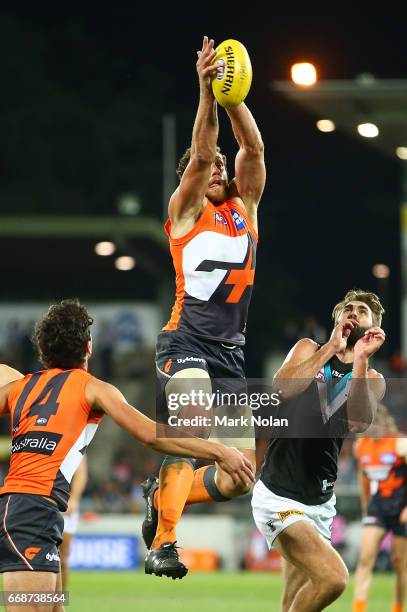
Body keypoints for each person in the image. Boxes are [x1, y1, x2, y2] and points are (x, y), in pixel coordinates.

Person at [0, 299, 254, 612]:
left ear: (42, 350)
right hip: (31, 510)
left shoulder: (18, 388)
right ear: (89, 347)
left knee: (53, 607)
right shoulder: (94, 389)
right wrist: (219, 450)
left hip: (32, 509)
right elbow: (151, 434)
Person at [143, 35, 265, 579]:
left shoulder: (245, 207)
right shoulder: (186, 209)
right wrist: (206, 93)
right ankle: (165, 542)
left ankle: (163, 498)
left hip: (230, 354)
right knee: (193, 427)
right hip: (185, 341)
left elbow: (254, 151)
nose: (217, 166)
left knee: (241, 474)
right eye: (208, 163)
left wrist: (233, 91)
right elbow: (201, 149)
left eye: (222, 163)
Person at [251, 289, 386, 612]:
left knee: (291, 603)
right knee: (334, 579)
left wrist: (362, 359)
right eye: (348, 309)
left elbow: (357, 422)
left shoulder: (373, 378)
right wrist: (330, 348)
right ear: (337, 320)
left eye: (362, 311)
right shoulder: (309, 349)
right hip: (278, 494)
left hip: (320, 504)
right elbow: (282, 388)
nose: (353, 312)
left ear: (373, 328)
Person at [353, 405, 407, 612]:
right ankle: (359, 608)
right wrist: (366, 506)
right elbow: (363, 476)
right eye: (368, 423)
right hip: (378, 508)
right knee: (366, 557)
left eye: (375, 422)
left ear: (385, 422)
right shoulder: (361, 447)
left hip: (401, 508)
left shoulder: (399, 444)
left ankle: (398, 607)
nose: (372, 427)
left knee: (399, 562)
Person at [60, 456, 87, 591]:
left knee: (62, 557)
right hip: (40, 499)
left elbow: (81, 472)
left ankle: (59, 598)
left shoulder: (76, 439)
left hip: (64, 502)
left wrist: (74, 499)